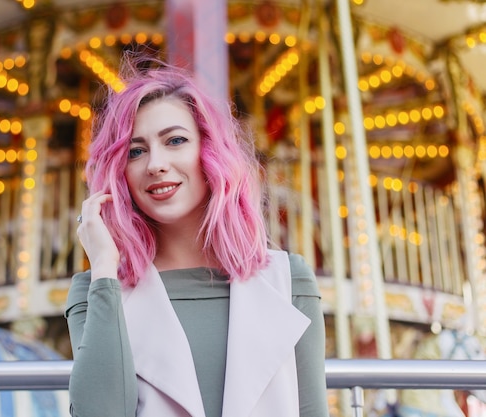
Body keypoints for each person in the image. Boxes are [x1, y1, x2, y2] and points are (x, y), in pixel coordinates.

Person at [65, 56, 329, 417]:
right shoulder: (97, 290)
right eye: (136, 151)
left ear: (209, 153)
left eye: (175, 140)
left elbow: (311, 410)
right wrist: (105, 268)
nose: (155, 164)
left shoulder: (287, 280)